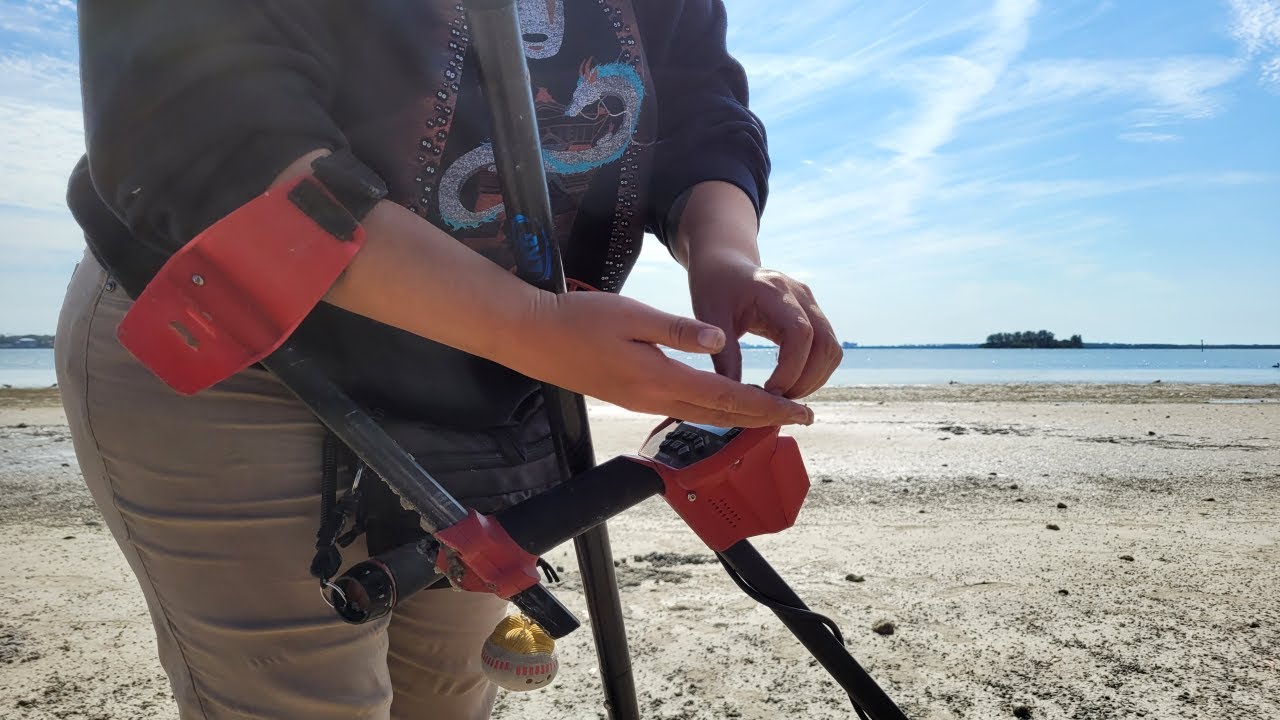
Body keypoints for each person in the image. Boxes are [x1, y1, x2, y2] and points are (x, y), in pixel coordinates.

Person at [55, 1, 843, 718]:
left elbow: (699, 103)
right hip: (242, 344)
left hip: (497, 390)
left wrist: (726, 255)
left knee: (451, 696)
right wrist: (531, 323)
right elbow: (195, 128)